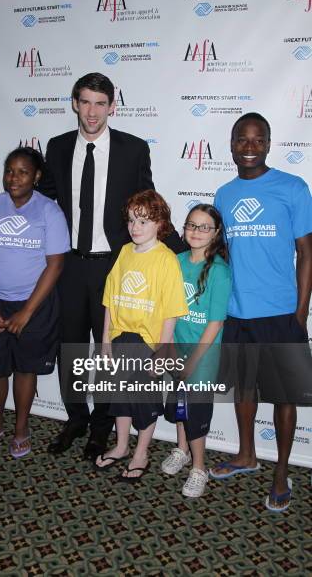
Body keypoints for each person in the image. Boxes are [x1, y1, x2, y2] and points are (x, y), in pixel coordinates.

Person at [40, 72, 185, 460]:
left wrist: (189, 252)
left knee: (109, 353)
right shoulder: (55, 148)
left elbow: (148, 203)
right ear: (74, 103)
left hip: (116, 267)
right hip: (70, 266)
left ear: (113, 107)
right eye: (85, 101)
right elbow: (45, 201)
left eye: (100, 103)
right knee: (69, 348)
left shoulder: (132, 149)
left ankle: (102, 427)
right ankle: (75, 418)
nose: (92, 111)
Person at [211, 112, 312, 511]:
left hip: (280, 313)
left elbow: (307, 254)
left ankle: (281, 470)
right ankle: (246, 455)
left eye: (258, 140)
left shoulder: (293, 188)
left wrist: (300, 313)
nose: (249, 147)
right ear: (232, 143)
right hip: (237, 312)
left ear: (269, 144)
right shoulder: (224, 194)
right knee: (245, 389)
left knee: (283, 396)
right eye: (242, 139)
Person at [0, 147, 70, 458]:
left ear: (36, 176)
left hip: (34, 307)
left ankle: (21, 428)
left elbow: (55, 265)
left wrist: (26, 312)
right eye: (9, 170)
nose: (14, 178)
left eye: (22, 172)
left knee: (26, 369)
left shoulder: (49, 212)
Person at [94, 190, 188, 480]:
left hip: (147, 344)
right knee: (121, 397)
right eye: (132, 220)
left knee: (143, 401)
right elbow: (110, 299)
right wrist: (106, 341)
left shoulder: (166, 259)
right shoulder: (124, 252)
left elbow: (171, 311)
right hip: (121, 337)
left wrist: (160, 353)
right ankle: (122, 446)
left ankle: (141, 453)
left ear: (160, 224)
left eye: (144, 221)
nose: (136, 227)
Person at [161, 204, 231, 497]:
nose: (196, 232)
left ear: (216, 233)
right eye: (191, 225)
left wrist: (193, 362)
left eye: (204, 227)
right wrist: (173, 350)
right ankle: (182, 449)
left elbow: (215, 323)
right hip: (178, 346)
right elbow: (169, 310)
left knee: (196, 408)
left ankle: (199, 467)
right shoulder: (175, 261)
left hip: (204, 354)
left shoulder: (219, 271)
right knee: (180, 401)